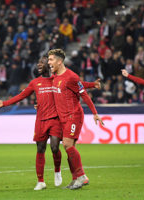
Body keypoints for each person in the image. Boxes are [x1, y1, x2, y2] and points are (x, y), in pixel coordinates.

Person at [0, 56, 101, 190]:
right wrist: (4, 103)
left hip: (56, 119)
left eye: (43, 62)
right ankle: (42, 181)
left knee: (57, 147)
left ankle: (62, 172)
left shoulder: (55, 78)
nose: (39, 64)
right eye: (39, 62)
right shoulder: (35, 82)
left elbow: (77, 83)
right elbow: (21, 96)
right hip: (41, 120)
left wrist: (91, 85)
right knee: (42, 148)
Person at [48, 49, 104, 190]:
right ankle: (75, 179)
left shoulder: (71, 76)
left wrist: (95, 113)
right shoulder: (55, 77)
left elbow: (84, 94)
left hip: (73, 115)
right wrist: (92, 84)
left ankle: (82, 177)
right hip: (63, 117)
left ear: (59, 61)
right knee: (70, 148)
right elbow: (79, 84)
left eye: (51, 60)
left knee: (67, 144)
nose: (49, 63)